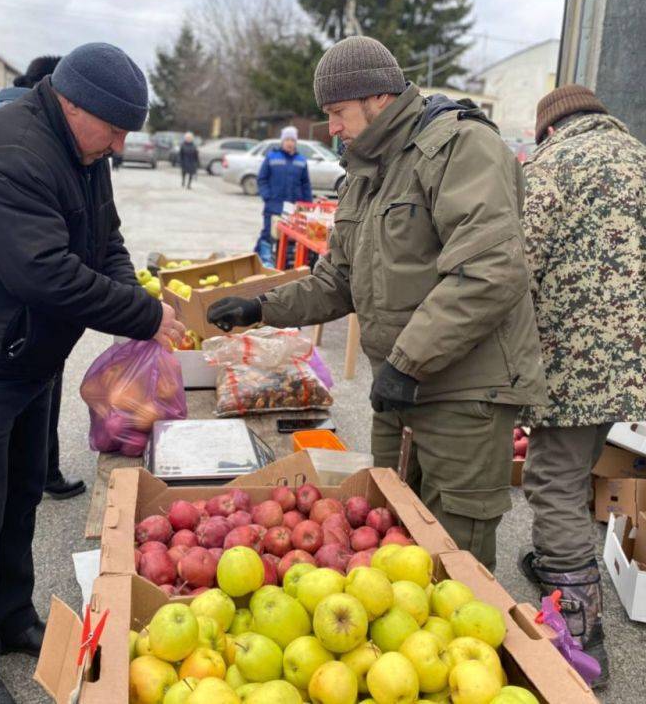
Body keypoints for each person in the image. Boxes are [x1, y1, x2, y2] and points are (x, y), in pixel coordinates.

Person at [0, 42, 185, 704]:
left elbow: (106, 243)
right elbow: (42, 272)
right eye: (113, 129)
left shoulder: (83, 152)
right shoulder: (12, 152)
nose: (118, 146)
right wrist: (141, 316)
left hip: (27, 357)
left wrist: (135, 303)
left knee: (20, 493)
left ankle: (10, 617)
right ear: (72, 104)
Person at [207, 36, 546, 572]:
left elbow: (489, 273)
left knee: (451, 558)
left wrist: (407, 361)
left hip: (465, 394)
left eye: (338, 112)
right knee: (391, 532)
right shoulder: (367, 172)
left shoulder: (460, 148)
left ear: (379, 98)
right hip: (401, 387)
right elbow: (337, 280)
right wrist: (260, 309)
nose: (332, 128)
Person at [517, 85, 646, 685]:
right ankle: (553, 561)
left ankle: (582, 635)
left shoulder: (552, 165)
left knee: (550, 481)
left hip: (571, 363)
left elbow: (518, 263)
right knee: (577, 465)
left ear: (548, 129)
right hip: (635, 362)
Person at [0, 55, 86, 500]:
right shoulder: (21, 144)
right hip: (14, 318)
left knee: (34, 397)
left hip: (28, 315)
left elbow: (102, 232)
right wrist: (137, 315)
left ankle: (32, 473)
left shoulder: (38, 129)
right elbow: (42, 266)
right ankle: (38, 472)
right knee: (32, 397)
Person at [254, 125, 312, 266]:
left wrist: (307, 205)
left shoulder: (301, 160)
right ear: (282, 141)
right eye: (287, 139)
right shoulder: (272, 157)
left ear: (295, 142)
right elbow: (262, 179)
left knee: (287, 237)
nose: (289, 143)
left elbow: (306, 184)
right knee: (268, 234)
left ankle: (281, 263)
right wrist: (267, 196)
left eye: (292, 140)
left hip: (293, 208)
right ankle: (262, 261)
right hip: (273, 206)